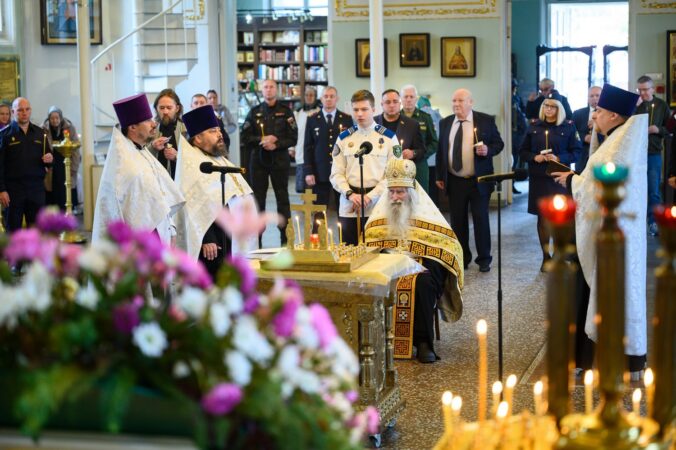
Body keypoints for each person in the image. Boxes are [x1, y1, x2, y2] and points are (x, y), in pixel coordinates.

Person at [552, 83, 648, 376]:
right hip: (607, 232)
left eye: (600, 111)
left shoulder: (619, 145)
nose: (594, 117)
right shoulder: (617, 140)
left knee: (599, 290)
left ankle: (598, 360)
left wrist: (572, 181)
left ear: (615, 115)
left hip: (610, 236)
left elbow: (599, 187)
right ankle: (585, 358)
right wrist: (576, 179)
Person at [365, 159, 464, 363]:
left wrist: (425, 259)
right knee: (371, 280)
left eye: (400, 192)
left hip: (421, 264)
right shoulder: (379, 218)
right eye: (392, 192)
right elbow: (368, 246)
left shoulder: (427, 214)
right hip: (388, 264)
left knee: (424, 283)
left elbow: (450, 246)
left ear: (411, 192)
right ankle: (377, 337)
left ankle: (423, 341)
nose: (395, 197)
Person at [92, 93, 184, 244]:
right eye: (147, 120)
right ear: (133, 127)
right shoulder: (124, 164)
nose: (154, 124)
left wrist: (171, 230)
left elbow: (160, 196)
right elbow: (124, 212)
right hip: (143, 241)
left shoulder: (142, 151)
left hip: (161, 233)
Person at [175, 105, 253, 279]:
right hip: (212, 242)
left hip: (228, 234)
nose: (219, 134)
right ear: (198, 138)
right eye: (212, 131)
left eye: (218, 129)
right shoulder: (192, 165)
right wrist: (206, 238)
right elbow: (192, 206)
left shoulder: (217, 158)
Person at [435, 88, 504, 272]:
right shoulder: (445, 122)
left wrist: (488, 150)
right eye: (454, 100)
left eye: (460, 100)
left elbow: (499, 144)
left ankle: (484, 259)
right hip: (455, 180)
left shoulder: (485, 120)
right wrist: (440, 175)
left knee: (481, 219)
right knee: (458, 221)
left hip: (479, 180)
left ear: (470, 102)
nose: (456, 104)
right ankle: (462, 257)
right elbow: (441, 150)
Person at [330, 89, 401, 245]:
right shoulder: (344, 138)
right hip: (350, 204)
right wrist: (350, 194)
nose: (359, 114)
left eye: (364, 109)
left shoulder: (388, 138)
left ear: (374, 110)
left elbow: (394, 174)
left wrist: (370, 197)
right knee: (349, 251)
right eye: (356, 110)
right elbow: (336, 174)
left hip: (378, 203)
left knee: (379, 252)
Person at [520, 96, 580, 271]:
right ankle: (546, 257)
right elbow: (522, 151)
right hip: (539, 179)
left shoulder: (568, 127)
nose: (548, 108)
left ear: (559, 109)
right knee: (543, 218)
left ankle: (560, 255)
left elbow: (576, 152)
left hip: (559, 178)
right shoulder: (534, 126)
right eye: (546, 105)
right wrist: (534, 157)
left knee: (561, 218)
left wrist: (559, 158)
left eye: (552, 106)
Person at [241, 79, 297, 246]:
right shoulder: (254, 112)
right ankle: (256, 240)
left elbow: (293, 138)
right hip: (258, 161)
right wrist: (262, 139)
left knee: (282, 199)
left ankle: (285, 240)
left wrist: (276, 143)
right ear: (262, 90)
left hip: (280, 160)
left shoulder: (286, 112)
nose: (269, 90)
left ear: (276, 90)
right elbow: (245, 137)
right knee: (258, 200)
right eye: (266, 87)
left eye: (272, 87)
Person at [0, 98, 54, 231]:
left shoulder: (40, 133)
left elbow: (49, 160)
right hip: (13, 190)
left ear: (30, 111)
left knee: (37, 230)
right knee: (14, 232)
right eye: (20, 110)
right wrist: (2, 190)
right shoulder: (4, 135)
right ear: (13, 112)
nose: (24, 113)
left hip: (36, 189)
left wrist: (50, 159)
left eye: (27, 109)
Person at [303, 86, 353, 222]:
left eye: (332, 96)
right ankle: (317, 235)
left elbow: (351, 146)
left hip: (342, 171)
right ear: (321, 99)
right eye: (326, 96)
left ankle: (344, 235)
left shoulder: (346, 119)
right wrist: (308, 171)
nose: (329, 99)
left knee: (344, 209)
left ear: (337, 98)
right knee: (319, 210)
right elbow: (308, 147)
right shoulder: (312, 119)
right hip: (320, 171)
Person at [634, 75, 671, 236]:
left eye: (645, 90)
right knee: (635, 189)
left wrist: (658, 130)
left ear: (653, 89)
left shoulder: (662, 105)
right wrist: (634, 107)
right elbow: (625, 125)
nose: (642, 93)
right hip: (635, 154)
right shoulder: (635, 105)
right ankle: (636, 222)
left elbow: (669, 128)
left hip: (653, 153)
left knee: (653, 190)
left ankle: (653, 222)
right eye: (640, 90)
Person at [375, 90, 424, 186]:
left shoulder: (412, 124)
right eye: (388, 102)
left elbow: (422, 150)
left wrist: (413, 153)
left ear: (400, 103)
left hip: (402, 178)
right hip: (378, 176)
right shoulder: (373, 123)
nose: (392, 105)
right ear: (382, 104)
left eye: (395, 101)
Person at [401, 84, 438, 194]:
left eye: (411, 97)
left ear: (416, 99)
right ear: (401, 99)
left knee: (420, 197)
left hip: (420, 165)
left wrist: (416, 154)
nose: (408, 99)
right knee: (400, 197)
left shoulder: (425, 117)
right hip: (399, 165)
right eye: (405, 96)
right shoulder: (396, 117)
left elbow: (434, 143)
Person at [42, 106, 80, 211]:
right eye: (52, 118)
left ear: (61, 118)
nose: (55, 120)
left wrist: (74, 168)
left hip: (66, 166)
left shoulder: (69, 128)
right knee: (52, 197)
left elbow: (76, 150)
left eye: (57, 118)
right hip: (51, 167)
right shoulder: (43, 129)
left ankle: (67, 215)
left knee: (66, 194)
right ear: (48, 119)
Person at [151, 88, 187, 179]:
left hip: (181, 181)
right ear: (156, 109)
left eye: (169, 108)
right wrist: (152, 147)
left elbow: (196, 159)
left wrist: (177, 157)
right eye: (161, 108)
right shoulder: (151, 130)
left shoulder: (187, 130)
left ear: (177, 108)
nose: (165, 112)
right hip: (156, 181)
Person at [292, 86, 321, 194]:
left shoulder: (320, 112)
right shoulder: (297, 113)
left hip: (316, 151)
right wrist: (291, 148)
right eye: (307, 95)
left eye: (311, 95)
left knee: (316, 185)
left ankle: (315, 203)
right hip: (300, 149)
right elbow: (293, 131)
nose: (309, 97)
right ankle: (306, 203)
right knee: (303, 186)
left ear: (315, 97)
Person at [572, 86, 602, 174]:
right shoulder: (577, 113)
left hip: (601, 156)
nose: (594, 98)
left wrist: (597, 123)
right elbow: (571, 133)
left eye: (597, 95)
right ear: (588, 98)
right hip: (582, 157)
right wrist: (584, 137)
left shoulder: (609, 114)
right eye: (591, 96)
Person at [511, 79, 528, 195]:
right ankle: (511, 184)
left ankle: (513, 183)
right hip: (513, 134)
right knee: (512, 161)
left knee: (516, 159)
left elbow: (524, 111)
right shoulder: (509, 99)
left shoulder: (517, 98)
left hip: (520, 133)